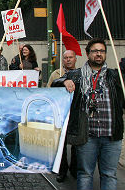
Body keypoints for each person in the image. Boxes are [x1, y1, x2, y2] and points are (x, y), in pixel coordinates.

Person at [52, 38, 124, 190]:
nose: (99, 54)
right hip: (87, 136)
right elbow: (54, 83)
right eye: (95, 51)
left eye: (102, 51)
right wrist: (63, 82)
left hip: (111, 136)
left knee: (109, 174)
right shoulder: (76, 75)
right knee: (85, 174)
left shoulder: (114, 76)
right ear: (87, 54)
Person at [47, 50, 78, 182]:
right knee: (61, 144)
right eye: (65, 58)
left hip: (75, 113)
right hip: (60, 113)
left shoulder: (81, 74)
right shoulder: (56, 74)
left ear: (75, 59)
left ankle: (75, 168)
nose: (68, 60)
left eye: (71, 57)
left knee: (76, 143)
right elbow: (49, 90)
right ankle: (62, 169)